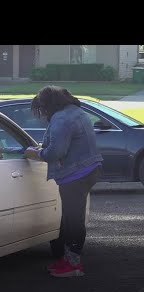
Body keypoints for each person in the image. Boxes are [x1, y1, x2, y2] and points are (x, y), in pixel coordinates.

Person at [24, 86, 103, 277]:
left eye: (41, 108)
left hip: (75, 174)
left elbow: (56, 152)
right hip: (90, 168)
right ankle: (68, 259)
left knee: (72, 220)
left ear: (48, 105)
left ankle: (74, 265)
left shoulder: (61, 119)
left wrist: (35, 153)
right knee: (70, 218)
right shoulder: (76, 112)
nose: (41, 113)